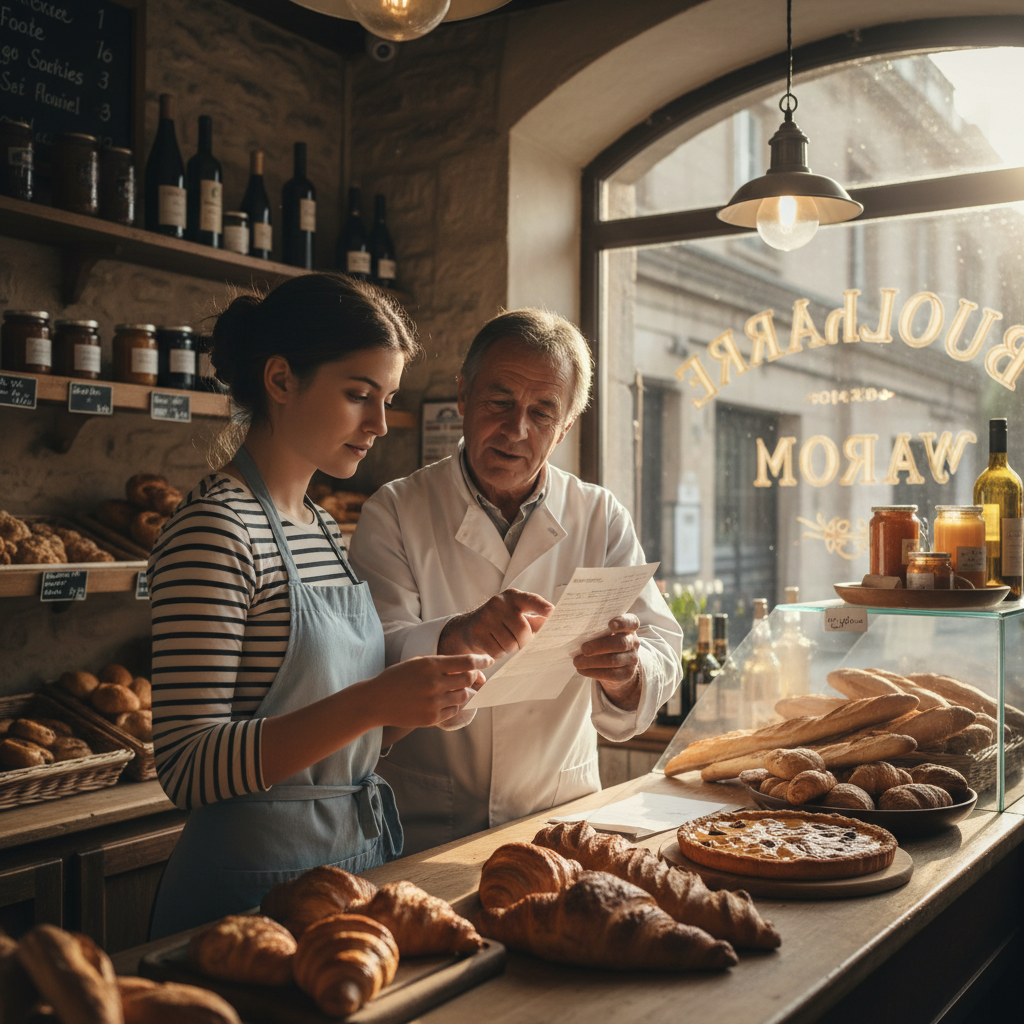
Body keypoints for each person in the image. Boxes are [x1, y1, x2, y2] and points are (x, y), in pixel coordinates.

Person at [147, 274, 489, 938]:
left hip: (349, 864)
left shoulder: (324, 528)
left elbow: (339, 741)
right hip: (247, 895)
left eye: (387, 400)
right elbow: (188, 766)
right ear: (280, 379)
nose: (379, 424)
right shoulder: (216, 528)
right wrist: (374, 701)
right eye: (359, 395)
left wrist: (415, 705)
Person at [349, 308, 683, 853]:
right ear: (463, 395)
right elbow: (366, 661)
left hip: (559, 815)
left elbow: (661, 644)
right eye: (499, 402)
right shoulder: (395, 511)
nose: (515, 430)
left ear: (565, 427)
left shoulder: (600, 516)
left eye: (542, 412)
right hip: (425, 825)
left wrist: (627, 673)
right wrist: (456, 636)